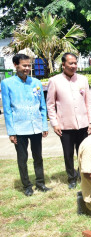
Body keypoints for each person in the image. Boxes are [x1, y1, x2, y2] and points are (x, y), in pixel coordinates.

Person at [1, 54, 50, 196]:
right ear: (16, 65)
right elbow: (7, 109)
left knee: (38, 157)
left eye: (29, 65)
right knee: (22, 159)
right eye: (24, 65)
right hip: (19, 128)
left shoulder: (36, 83)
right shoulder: (7, 84)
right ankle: (27, 186)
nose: (27, 68)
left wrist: (44, 126)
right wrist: (11, 131)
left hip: (35, 127)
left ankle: (40, 183)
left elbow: (42, 106)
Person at [47, 52, 91, 189]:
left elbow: (88, 102)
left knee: (83, 152)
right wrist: (54, 124)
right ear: (63, 64)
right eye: (70, 63)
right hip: (65, 125)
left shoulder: (83, 79)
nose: (74, 66)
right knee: (68, 153)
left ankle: (84, 175)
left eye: (75, 63)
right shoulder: (54, 81)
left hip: (83, 124)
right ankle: (71, 177)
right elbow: (50, 104)